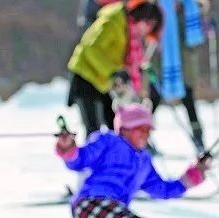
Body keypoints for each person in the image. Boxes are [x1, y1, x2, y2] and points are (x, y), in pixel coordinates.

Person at [54, 104, 210, 218]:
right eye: (141, 129)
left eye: (149, 130)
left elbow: (162, 190)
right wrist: (67, 147)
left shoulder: (144, 162)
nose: (146, 134)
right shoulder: (108, 141)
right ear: (125, 129)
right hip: (90, 204)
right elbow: (80, 160)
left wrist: (192, 175)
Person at [67, 0, 163, 136]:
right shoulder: (114, 21)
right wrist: (114, 71)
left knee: (115, 126)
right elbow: (91, 48)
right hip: (85, 75)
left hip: (103, 81)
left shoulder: (129, 30)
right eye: (149, 24)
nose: (147, 30)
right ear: (142, 15)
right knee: (93, 131)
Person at [145, 0, 209, 153]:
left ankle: (198, 139)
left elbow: (197, 33)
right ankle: (141, 136)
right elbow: (147, 28)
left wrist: (207, 25)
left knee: (189, 101)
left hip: (184, 62)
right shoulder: (156, 6)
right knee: (153, 99)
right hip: (160, 60)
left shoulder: (190, 6)